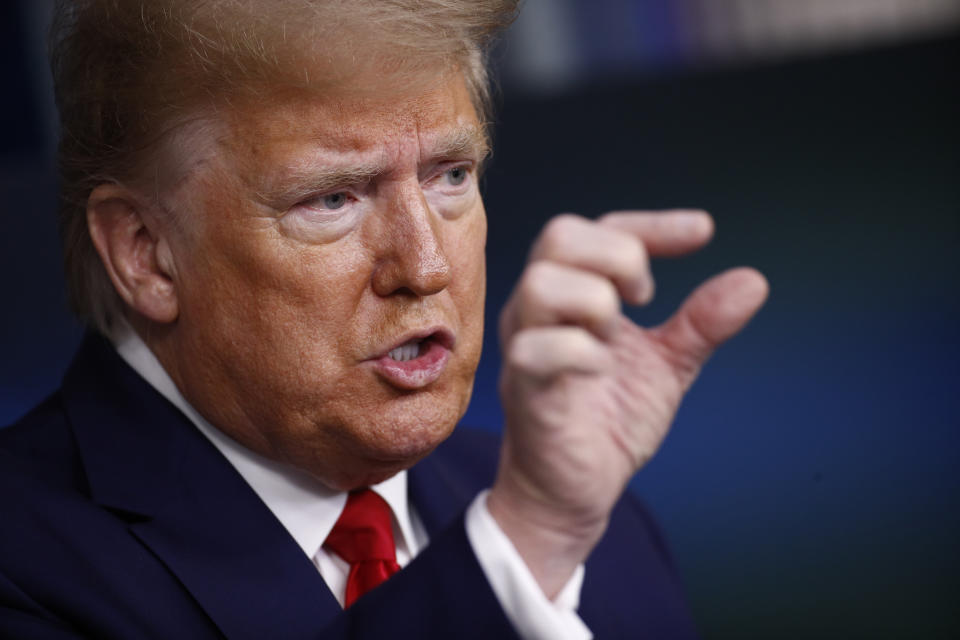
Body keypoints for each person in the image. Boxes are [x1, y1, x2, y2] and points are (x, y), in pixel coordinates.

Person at [0, 1, 768, 638]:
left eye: (451, 175)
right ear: (147, 253)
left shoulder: (597, 533)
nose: (426, 267)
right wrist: (520, 553)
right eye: (333, 198)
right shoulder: (24, 569)